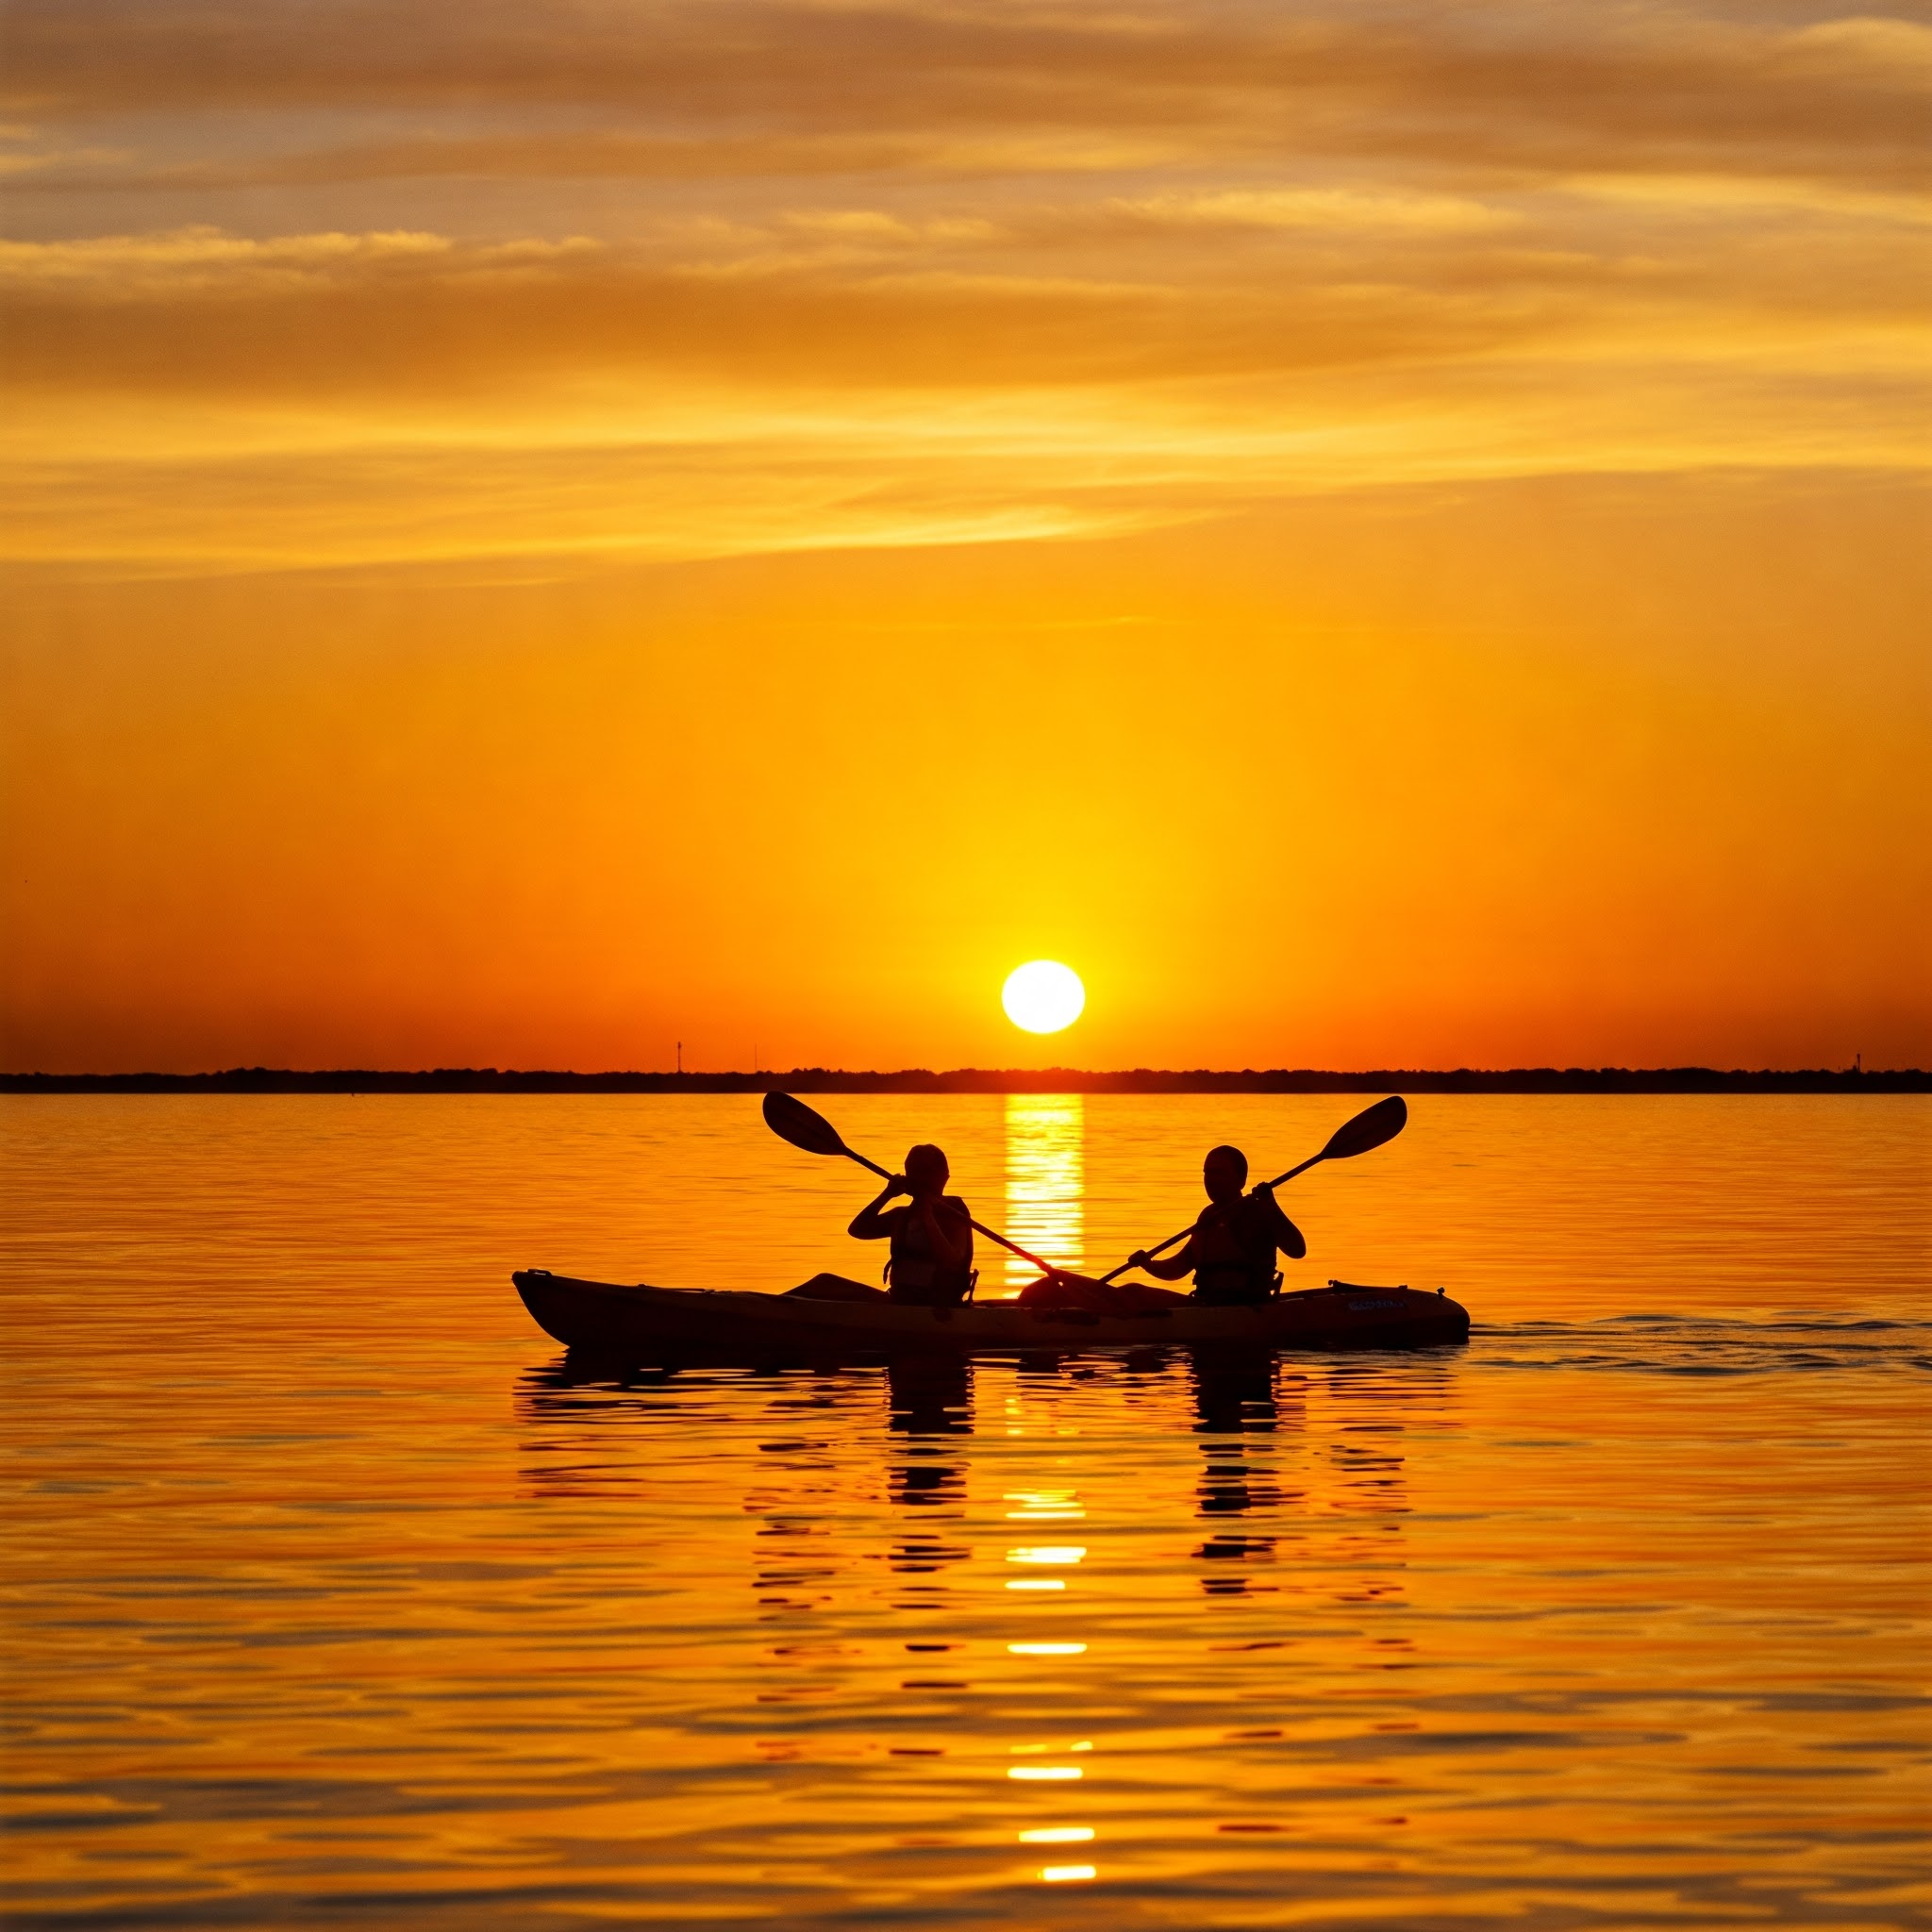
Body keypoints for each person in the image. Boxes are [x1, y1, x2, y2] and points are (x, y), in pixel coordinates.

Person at [1130, 1145, 1307, 1304]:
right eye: (1207, 1173)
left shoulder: (1258, 1212)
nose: (1210, 1179)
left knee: (1135, 1293)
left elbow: (1297, 1250)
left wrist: (1271, 1206)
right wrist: (1148, 1264)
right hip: (1205, 1303)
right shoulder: (1208, 1215)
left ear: (1241, 1180)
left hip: (1245, 1305)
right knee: (1132, 1292)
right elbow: (1178, 1267)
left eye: (1219, 1173)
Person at [848, 1143, 976, 1306]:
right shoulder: (901, 1216)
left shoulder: (953, 1214)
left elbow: (952, 1261)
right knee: (824, 1283)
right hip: (899, 1300)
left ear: (944, 1178)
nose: (921, 1179)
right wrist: (887, 1195)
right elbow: (857, 1229)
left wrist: (927, 1217)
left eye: (927, 1172)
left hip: (940, 1305)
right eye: (915, 1172)